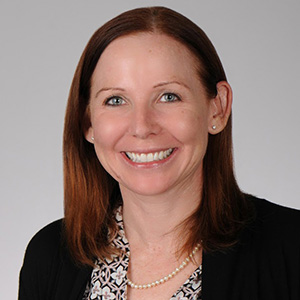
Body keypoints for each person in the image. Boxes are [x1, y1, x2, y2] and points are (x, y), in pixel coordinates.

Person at [18, 6, 300, 300]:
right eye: (115, 100)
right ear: (88, 121)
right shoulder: (50, 255)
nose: (142, 127)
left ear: (217, 108)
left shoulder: (292, 248)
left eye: (169, 96)